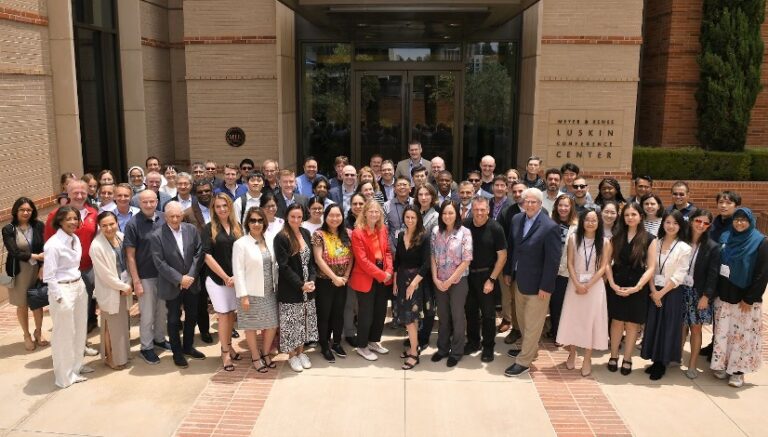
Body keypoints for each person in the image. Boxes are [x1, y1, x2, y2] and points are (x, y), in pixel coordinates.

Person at [503, 188, 561, 377]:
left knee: (533, 324)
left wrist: (546, 286)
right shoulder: (517, 220)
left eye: (533, 202)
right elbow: (513, 249)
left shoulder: (550, 227)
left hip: (538, 286)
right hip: (519, 280)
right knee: (522, 321)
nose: (529, 204)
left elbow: (552, 261)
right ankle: (531, 350)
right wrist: (508, 272)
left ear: (540, 203)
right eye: (526, 201)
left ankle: (524, 361)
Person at [710, 207, 768, 388]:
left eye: (744, 220)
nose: (739, 222)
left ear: (751, 222)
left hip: (744, 299)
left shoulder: (760, 241)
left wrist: (750, 298)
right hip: (724, 295)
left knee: (741, 336)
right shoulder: (726, 237)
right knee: (723, 333)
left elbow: (762, 273)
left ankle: (737, 372)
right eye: (737, 219)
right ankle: (722, 364)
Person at [151, 202, 206, 368]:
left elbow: (199, 252)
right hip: (171, 284)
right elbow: (159, 263)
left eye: (178, 216)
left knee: (192, 317)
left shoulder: (191, 230)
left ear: (182, 215)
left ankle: (188, 347)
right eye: (171, 216)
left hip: (191, 283)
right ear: (165, 217)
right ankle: (177, 352)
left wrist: (190, 276)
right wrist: (179, 279)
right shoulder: (157, 235)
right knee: (174, 320)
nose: (175, 219)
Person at [44, 180, 100, 343]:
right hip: (63, 273)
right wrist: (43, 265)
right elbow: (48, 240)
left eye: (83, 192)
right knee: (67, 311)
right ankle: (69, 346)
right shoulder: (56, 215)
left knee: (84, 307)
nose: (80, 195)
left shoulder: (93, 213)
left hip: (87, 267)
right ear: (67, 193)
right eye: (75, 192)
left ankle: (81, 344)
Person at [605, 202, 657, 376]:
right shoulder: (616, 237)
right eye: (627, 215)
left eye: (633, 214)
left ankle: (627, 358)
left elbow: (651, 267)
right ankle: (613, 356)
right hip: (617, 283)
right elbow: (606, 263)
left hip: (637, 286)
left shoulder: (649, 239)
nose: (630, 218)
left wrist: (638, 287)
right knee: (617, 322)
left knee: (632, 324)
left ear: (640, 216)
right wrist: (612, 284)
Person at [557, 210, 611, 376]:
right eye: (587, 220)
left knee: (591, 322)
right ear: (582, 222)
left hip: (594, 287)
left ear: (598, 222)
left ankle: (587, 358)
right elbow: (570, 263)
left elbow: (603, 267)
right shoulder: (574, 238)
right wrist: (578, 283)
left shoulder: (605, 241)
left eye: (594, 220)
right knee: (573, 319)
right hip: (575, 284)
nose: (590, 223)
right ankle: (572, 352)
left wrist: (588, 285)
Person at [641, 210, 692, 380]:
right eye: (668, 222)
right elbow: (650, 268)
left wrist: (660, 293)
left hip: (671, 292)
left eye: (675, 223)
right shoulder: (655, 242)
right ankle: (654, 358)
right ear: (663, 223)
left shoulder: (684, 248)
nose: (671, 226)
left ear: (680, 226)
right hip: (653, 289)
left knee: (668, 327)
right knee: (654, 324)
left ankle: (662, 363)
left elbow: (680, 274)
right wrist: (653, 291)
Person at [44, 206, 88, 388]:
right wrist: (59, 297)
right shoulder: (53, 245)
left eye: (75, 218)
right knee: (63, 334)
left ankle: (76, 367)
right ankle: (63, 377)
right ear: (60, 221)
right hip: (63, 290)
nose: (73, 222)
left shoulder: (75, 238)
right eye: (68, 219)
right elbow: (49, 276)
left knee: (79, 329)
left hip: (78, 286)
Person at [125, 189, 170, 365]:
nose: (149, 205)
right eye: (145, 202)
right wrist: (136, 281)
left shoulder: (163, 217)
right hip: (145, 276)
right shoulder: (132, 224)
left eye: (152, 201)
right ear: (139, 203)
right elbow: (130, 255)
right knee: (148, 314)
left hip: (163, 275)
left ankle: (159, 339)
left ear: (157, 201)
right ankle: (146, 347)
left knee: (162, 311)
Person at [232, 207, 279, 372]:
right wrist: (243, 296)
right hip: (250, 293)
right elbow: (237, 271)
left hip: (270, 291)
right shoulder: (240, 244)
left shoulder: (271, 239)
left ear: (264, 223)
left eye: (260, 220)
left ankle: (265, 353)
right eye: (253, 220)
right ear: (248, 223)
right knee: (251, 326)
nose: (256, 224)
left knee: (272, 324)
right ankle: (255, 356)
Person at [275, 204, 319, 372]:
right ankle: (292, 355)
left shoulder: (306, 233)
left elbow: (312, 262)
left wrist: (312, 281)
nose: (295, 220)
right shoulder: (281, 237)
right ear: (287, 217)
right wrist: (301, 285)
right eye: (292, 216)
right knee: (291, 324)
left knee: (303, 323)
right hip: (291, 289)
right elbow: (284, 266)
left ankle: (301, 352)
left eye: (299, 217)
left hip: (308, 289)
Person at [463, 197, 507, 363]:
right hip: (468, 275)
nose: (479, 213)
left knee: (488, 315)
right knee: (470, 311)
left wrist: (492, 279)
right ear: (472, 210)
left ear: (488, 210)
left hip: (487, 276)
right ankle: (474, 342)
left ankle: (488, 346)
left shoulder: (495, 228)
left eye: (483, 210)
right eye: (476, 210)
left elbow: (502, 256)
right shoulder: (465, 225)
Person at [202, 194, 243, 371]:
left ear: (230, 207)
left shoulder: (237, 227)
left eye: (225, 205)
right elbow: (207, 256)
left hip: (235, 280)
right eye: (218, 206)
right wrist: (225, 277)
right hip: (217, 280)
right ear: (213, 209)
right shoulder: (208, 228)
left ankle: (229, 345)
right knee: (224, 316)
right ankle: (225, 352)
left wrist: (236, 277)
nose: (222, 209)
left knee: (231, 314)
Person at [349, 200, 393, 361]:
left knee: (380, 312)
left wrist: (388, 270)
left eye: (377, 212)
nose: (374, 214)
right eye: (371, 211)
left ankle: (373, 341)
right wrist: (382, 274)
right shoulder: (358, 233)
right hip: (366, 278)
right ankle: (362, 345)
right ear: (365, 213)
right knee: (366, 314)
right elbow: (362, 261)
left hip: (382, 276)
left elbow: (387, 251)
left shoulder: (383, 229)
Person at [430, 200, 472, 367]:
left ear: (457, 214)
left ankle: (456, 351)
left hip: (458, 282)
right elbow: (432, 256)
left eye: (451, 213)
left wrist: (449, 280)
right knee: (443, 316)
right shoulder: (435, 231)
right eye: (444, 213)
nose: (447, 216)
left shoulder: (465, 233)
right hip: (439, 282)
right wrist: (435, 278)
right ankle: (442, 349)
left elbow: (466, 260)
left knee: (457, 316)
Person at [90, 211, 132, 370]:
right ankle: (110, 357)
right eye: (104, 225)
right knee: (109, 326)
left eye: (111, 224)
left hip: (123, 287)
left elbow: (127, 263)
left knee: (121, 325)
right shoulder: (96, 246)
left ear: (117, 223)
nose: (109, 228)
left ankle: (122, 355)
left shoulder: (121, 237)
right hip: (110, 290)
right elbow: (105, 275)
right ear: (99, 227)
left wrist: (127, 284)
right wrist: (123, 286)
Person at [680, 209, 720, 379]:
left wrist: (706, 297)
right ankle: (676, 357)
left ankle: (692, 364)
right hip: (679, 290)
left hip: (698, 294)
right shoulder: (681, 241)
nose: (701, 225)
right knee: (680, 327)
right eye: (698, 221)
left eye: (705, 223)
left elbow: (713, 275)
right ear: (691, 221)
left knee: (696, 329)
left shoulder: (712, 247)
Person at [2, 197, 46, 352]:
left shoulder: (39, 225)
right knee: (22, 304)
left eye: (29, 210)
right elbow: (14, 252)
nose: (26, 212)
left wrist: (42, 265)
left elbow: (44, 246)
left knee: (37, 301)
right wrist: (35, 257)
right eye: (22, 210)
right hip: (19, 271)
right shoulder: (9, 229)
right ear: (16, 211)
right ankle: (26, 335)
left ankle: (38, 332)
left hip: (37, 270)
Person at [312, 204, 353, 363]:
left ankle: (336, 342)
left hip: (342, 281)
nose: (335, 219)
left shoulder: (348, 234)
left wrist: (346, 276)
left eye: (338, 215)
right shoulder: (319, 234)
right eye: (331, 215)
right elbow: (318, 259)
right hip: (325, 281)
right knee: (324, 314)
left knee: (338, 313)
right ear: (325, 216)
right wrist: (334, 277)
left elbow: (352, 257)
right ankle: (324, 344)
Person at [393, 205, 430, 369]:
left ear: (418, 219)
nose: (410, 220)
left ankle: (414, 353)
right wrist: (395, 281)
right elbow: (397, 261)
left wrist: (413, 284)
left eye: (413, 217)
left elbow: (427, 264)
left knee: (410, 318)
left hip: (416, 281)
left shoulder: (424, 236)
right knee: (408, 317)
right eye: (407, 217)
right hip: (401, 279)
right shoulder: (401, 235)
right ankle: (413, 347)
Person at [548, 194, 578, 340]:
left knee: (561, 303)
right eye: (560, 205)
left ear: (571, 207)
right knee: (552, 303)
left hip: (566, 271)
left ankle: (560, 334)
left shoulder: (577, 226)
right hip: (549, 270)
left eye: (566, 205)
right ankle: (554, 331)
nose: (563, 208)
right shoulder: (549, 222)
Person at [383, 176, 413, 251]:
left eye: (405, 185)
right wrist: (391, 249)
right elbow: (385, 230)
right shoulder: (387, 205)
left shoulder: (416, 203)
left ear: (410, 189)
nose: (402, 187)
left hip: (414, 248)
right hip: (394, 249)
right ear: (394, 189)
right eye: (399, 185)